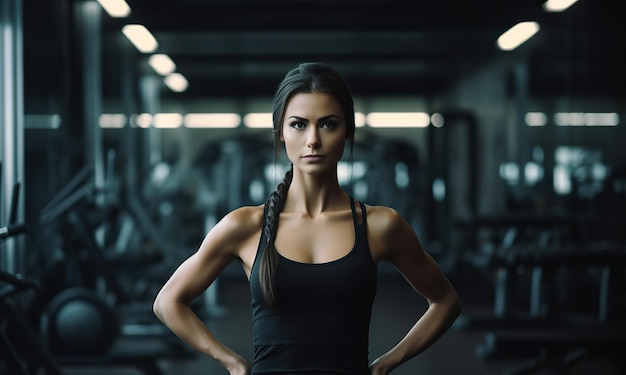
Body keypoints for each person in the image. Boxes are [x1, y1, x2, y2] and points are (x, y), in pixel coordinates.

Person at [153, 62, 461, 375]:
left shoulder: (381, 225)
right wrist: (232, 363)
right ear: (281, 133)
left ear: (347, 131)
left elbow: (445, 301)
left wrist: (386, 364)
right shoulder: (245, 226)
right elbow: (168, 302)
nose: (313, 139)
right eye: (299, 125)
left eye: (328, 124)